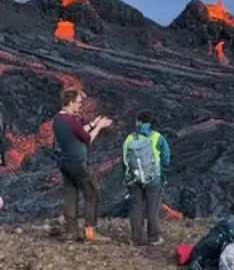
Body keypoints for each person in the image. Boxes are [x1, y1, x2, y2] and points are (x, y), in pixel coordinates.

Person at [52, 87, 113, 243]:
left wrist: (92, 123)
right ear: (71, 102)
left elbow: (78, 132)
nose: (80, 105)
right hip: (77, 163)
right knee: (92, 193)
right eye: (78, 103)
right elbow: (86, 139)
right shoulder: (71, 120)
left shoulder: (58, 118)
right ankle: (90, 233)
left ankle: (70, 232)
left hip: (64, 163)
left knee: (70, 195)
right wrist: (100, 126)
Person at [122, 111, 171, 246]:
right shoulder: (157, 137)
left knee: (136, 208)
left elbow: (124, 160)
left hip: (134, 178)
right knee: (152, 208)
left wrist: (127, 176)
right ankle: (153, 238)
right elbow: (166, 157)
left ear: (139, 122)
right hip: (153, 178)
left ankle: (135, 238)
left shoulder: (130, 138)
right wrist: (163, 169)